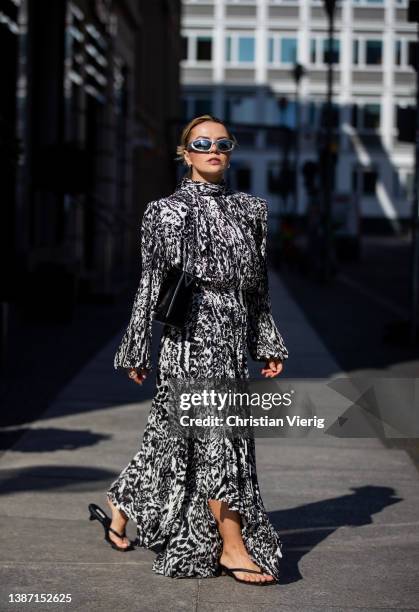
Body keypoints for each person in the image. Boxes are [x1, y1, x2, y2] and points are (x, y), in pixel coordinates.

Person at [89, 115, 289, 585]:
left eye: (222, 143)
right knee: (221, 440)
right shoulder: (164, 212)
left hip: (232, 337)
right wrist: (137, 346)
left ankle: (120, 505)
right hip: (189, 340)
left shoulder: (252, 210)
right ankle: (233, 545)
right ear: (186, 152)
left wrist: (266, 339)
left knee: (171, 437)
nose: (213, 150)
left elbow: (258, 286)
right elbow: (151, 283)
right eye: (202, 143)